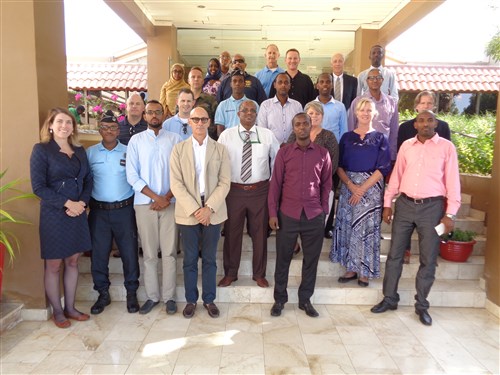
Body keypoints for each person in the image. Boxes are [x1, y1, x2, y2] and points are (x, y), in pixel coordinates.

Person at [371, 110, 461, 326]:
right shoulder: (406, 146)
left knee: (428, 259)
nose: (425, 124)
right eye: (421, 120)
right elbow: (396, 176)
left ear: (436, 123)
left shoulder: (447, 148)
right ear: (415, 125)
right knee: (394, 255)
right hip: (404, 204)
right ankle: (389, 298)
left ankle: (421, 305)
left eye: (430, 120)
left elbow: (453, 182)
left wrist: (450, 214)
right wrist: (387, 204)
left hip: (432, 207)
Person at [30, 107, 92, 328]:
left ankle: (71, 308)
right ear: (50, 125)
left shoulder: (79, 150)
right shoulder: (41, 150)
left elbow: (88, 181)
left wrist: (82, 203)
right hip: (54, 214)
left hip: (77, 213)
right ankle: (57, 311)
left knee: (73, 261)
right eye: (60, 122)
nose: (65, 126)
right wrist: (68, 204)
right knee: (54, 264)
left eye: (69, 122)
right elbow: (38, 187)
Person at [268, 112, 332, 318]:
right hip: (287, 213)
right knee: (283, 259)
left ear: (311, 125)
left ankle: (305, 300)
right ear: (293, 128)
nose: (302, 127)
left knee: (311, 260)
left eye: (305, 123)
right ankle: (279, 299)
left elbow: (327, 184)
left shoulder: (323, 153)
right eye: (298, 124)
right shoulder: (284, 153)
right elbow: (275, 184)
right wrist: (272, 213)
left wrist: (324, 210)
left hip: (314, 215)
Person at [170, 106, 231, 319]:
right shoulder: (178, 149)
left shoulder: (220, 149)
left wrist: (209, 208)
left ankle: (209, 299)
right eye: (195, 119)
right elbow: (176, 184)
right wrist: (197, 210)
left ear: (209, 122)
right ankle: (190, 300)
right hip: (189, 212)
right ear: (189, 122)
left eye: (203, 119)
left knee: (209, 258)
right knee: (189, 260)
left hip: (213, 210)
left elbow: (224, 182)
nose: (199, 123)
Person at [126, 100, 182, 315]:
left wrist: (166, 197)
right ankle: (152, 297)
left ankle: (169, 298)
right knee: (149, 254)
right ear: (144, 115)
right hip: (144, 205)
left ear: (164, 114)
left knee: (169, 253)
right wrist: (155, 197)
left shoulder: (175, 139)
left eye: (158, 112)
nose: (154, 116)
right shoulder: (135, 141)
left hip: (170, 203)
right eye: (150, 112)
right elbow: (132, 175)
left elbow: (180, 173)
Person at [329, 98, 392, 287]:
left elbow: (383, 167)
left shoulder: (381, 138)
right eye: (362, 110)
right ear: (355, 113)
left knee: (366, 231)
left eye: (369, 110)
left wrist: (362, 188)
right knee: (349, 226)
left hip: (371, 190)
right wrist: (351, 186)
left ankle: (365, 271)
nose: (365, 113)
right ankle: (351, 268)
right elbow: (339, 166)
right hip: (349, 188)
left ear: (374, 114)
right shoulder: (346, 138)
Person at [218, 100, 280, 288]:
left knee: (260, 234)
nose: (249, 113)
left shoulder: (267, 135)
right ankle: (230, 273)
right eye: (245, 110)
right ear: (238, 113)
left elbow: (277, 162)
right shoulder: (226, 136)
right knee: (232, 233)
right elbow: (218, 163)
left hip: (260, 191)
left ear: (257, 114)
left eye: (253, 110)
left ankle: (259, 274)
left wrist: (272, 187)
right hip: (234, 191)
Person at [86, 114, 140, 315]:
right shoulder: (90, 153)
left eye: (113, 128)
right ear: (100, 130)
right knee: (99, 255)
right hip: (98, 212)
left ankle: (132, 293)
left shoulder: (128, 152)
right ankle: (103, 294)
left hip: (124, 210)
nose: (109, 131)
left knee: (129, 253)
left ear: (119, 131)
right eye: (105, 127)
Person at [397, 90, 452, 263]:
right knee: (404, 226)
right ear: (416, 106)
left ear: (434, 106)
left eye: (429, 103)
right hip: (410, 187)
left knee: (433, 226)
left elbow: (447, 159)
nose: (426, 106)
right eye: (423, 103)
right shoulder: (405, 128)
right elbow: (401, 159)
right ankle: (405, 251)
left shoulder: (443, 127)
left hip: (434, 188)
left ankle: (431, 253)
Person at [288, 101, 340, 244]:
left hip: (321, 184)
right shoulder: (294, 135)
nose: (314, 116)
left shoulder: (329, 136)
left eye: (318, 113)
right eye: (311, 113)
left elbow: (333, 163)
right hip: (297, 185)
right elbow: (288, 158)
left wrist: (318, 181)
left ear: (322, 116)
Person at [348, 68, 399, 161]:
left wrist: (392, 156)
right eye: (371, 78)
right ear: (367, 81)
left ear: (382, 80)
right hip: (361, 151)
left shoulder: (391, 102)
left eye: (378, 77)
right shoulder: (357, 102)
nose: (374, 80)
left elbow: (394, 131)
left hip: (383, 152)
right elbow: (351, 127)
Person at [257, 72, 303, 145]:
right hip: (271, 149)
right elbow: (262, 130)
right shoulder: (265, 105)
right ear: (275, 85)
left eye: (286, 82)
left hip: (293, 148)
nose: (283, 85)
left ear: (290, 85)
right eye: (280, 82)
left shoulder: (297, 106)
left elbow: (301, 128)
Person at [215, 69, 258, 137]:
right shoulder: (222, 105)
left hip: (249, 142)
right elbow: (220, 130)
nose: (237, 83)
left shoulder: (253, 104)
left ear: (244, 84)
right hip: (228, 142)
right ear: (231, 84)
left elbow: (257, 126)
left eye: (240, 81)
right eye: (234, 81)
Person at [314, 72, 347, 143]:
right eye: (321, 82)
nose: (325, 84)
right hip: (314, 146)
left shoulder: (340, 106)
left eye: (328, 82)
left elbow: (343, 130)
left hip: (334, 146)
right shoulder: (310, 106)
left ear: (332, 85)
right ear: (317, 86)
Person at [187, 67, 218, 139]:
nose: (196, 79)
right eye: (193, 77)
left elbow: (216, 122)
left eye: (199, 77)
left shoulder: (211, 100)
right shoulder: (183, 99)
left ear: (203, 81)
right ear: (188, 80)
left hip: (206, 140)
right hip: (186, 140)